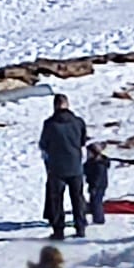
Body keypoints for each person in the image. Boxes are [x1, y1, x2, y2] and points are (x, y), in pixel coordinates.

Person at [39, 94, 89, 240]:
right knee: (77, 198)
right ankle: (80, 227)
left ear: (55, 106)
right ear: (67, 105)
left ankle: (58, 231)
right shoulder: (78, 122)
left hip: (56, 167)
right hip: (75, 166)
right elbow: (83, 141)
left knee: (56, 200)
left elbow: (44, 144)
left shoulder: (49, 124)